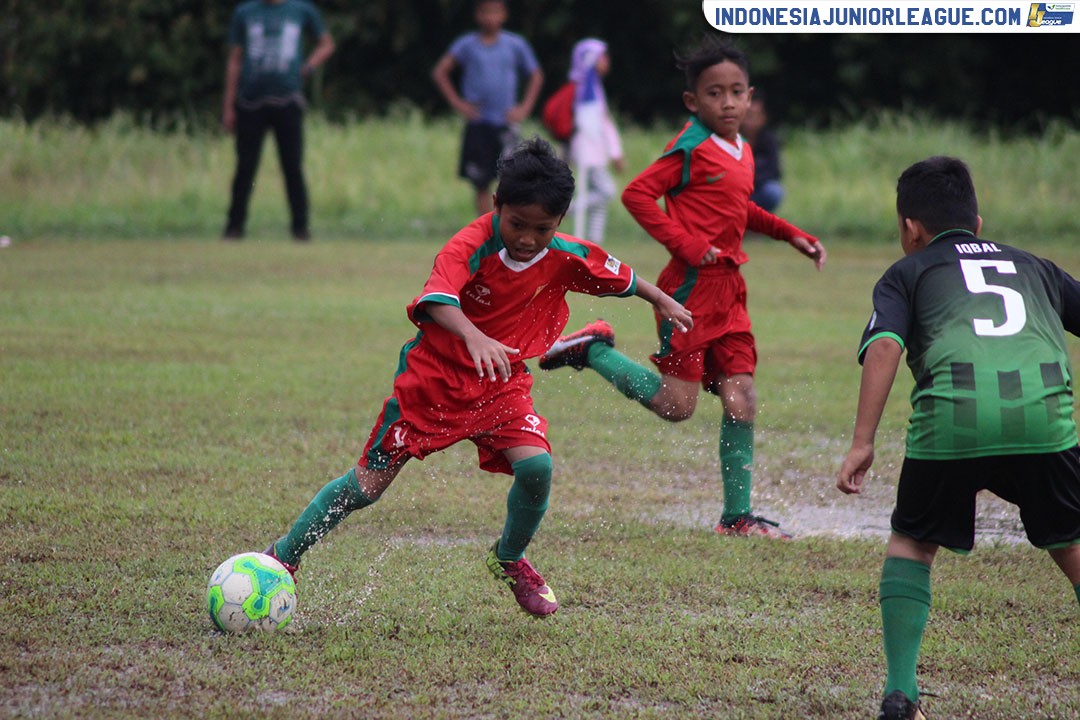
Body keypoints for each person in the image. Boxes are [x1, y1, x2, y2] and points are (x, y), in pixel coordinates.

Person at [262, 138, 693, 617]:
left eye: (543, 228)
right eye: (517, 224)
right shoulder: (470, 245)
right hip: (433, 383)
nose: (528, 238)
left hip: (500, 382)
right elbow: (436, 299)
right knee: (366, 487)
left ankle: (509, 558)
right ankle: (283, 556)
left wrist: (660, 299)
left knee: (537, 468)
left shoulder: (562, 253)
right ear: (496, 205)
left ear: (560, 220)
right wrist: (474, 337)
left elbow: (619, 275)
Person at [539, 39, 825, 540]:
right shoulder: (690, 147)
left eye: (737, 92)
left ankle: (737, 517)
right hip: (689, 290)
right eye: (715, 93)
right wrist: (690, 245)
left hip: (731, 290)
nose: (729, 102)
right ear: (693, 101)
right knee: (678, 407)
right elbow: (638, 194)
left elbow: (741, 209)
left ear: (751, 96)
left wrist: (790, 234)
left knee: (742, 398)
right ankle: (592, 351)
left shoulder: (743, 149)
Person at [836, 156, 1080, 720]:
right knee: (1071, 542)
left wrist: (862, 442)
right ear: (977, 219)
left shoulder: (908, 272)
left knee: (914, 544)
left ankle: (901, 693)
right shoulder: (1035, 266)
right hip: (1043, 421)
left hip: (953, 421)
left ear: (910, 229)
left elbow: (885, 346)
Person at [222, 0, 335, 242]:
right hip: (250, 102)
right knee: (245, 167)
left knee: (292, 167)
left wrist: (308, 68)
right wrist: (229, 105)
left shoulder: (301, 10)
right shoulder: (244, 12)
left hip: (288, 102)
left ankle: (300, 228)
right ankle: (234, 226)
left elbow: (326, 44)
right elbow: (235, 60)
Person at [431, 0, 544, 217]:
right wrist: (458, 103)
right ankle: (486, 227)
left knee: (511, 178)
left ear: (504, 15)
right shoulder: (467, 45)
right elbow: (441, 71)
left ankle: (507, 223)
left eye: (496, 12)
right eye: (486, 12)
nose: (490, 18)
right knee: (480, 181)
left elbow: (536, 75)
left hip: (506, 123)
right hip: (479, 122)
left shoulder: (515, 44)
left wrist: (525, 107)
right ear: (478, 15)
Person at [567, 38, 625, 244]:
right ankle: (569, 208)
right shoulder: (586, 90)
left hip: (594, 151)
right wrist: (615, 152)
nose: (606, 61)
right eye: (603, 57)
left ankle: (594, 241)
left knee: (599, 201)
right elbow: (599, 124)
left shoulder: (593, 87)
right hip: (588, 151)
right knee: (606, 191)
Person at [740, 92, 784, 213]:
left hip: (757, 190)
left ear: (763, 118)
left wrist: (750, 180)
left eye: (754, 116)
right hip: (735, 192)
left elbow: (775, 171)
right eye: (747, 116)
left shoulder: (769, 141)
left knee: (774, 191)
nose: (750, 121)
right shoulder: (730, 139)